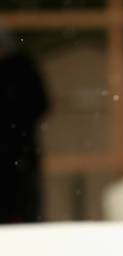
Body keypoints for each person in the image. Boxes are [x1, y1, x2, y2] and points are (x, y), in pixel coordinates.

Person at [0, 27, 49, 223]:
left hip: (19, 149)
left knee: (22, 199)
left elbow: (39, 104)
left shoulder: (21, 68)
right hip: (19, 148)